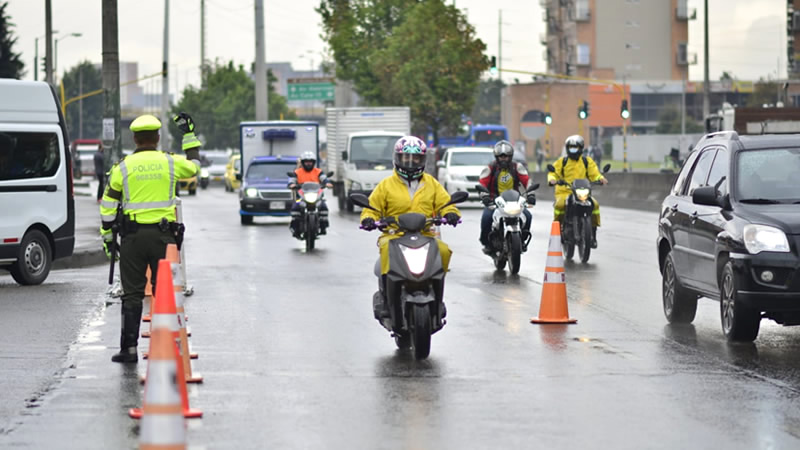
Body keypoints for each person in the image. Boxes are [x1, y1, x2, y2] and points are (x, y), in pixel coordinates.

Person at [99, 113, 200, 363]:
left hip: (132, 239)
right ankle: (165, 346)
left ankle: (129, 349)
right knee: (164, 292)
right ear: (156, 137)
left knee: (132, 294)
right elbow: (195, 167)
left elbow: (108, 205)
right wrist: (188, 135)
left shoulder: (122, 167)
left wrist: (108, 239)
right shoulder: (170, 162)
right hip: (164, 239)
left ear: (134, 138)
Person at [360, 136, 461, 314]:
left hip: (426, 235)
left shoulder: (432, 183)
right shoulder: (386, 185)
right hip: (394, 235)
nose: (411, 162)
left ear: (422, 160)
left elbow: (446, 204)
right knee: (386, 252)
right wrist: (368, 219)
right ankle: (386, 302)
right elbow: (372, 208)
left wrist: (450, 213)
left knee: (443, 250)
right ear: (397, 158)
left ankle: (438, 301)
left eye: (416, 158)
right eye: (406, 157)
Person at [548, 135, 607, 248]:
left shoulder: (586, 161)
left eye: (575, 147)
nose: (573, 150)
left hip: (582, 192)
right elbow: (553, 173)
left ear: (581, 148)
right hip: (565, 192)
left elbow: (594, 173)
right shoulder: (562, 161)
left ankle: (593, 235)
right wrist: (552, 180)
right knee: (559, 206)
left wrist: (600, 179)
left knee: (595, 205)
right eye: (570, 147)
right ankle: (558, 230)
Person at [478, 140, 535, 255]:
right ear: (497, 157)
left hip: (514, 201)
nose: (503, 159)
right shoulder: (491, 168)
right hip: (495, 201)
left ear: (510, 156)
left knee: (528, 216)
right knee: (486, 218)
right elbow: (482, 183)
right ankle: (487, 244)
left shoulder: (517, 167)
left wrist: (531, 194)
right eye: (501, 157)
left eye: (506, 156)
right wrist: (485, 196)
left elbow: (527, 180)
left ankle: (521, 241)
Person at [289, 151, 332, 236]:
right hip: (301, 197)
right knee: (295, 207)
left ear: (313, 162)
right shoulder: (297, 172)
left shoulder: (318, 171)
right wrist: (292, 184)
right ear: (303, 163)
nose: (308, 164)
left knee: (323, 207)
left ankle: (323, 227)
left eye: (310, 162)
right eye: (306, 162)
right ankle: (295, 227)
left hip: (317, 197)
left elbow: (324, 178)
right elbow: (292, 180)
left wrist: (327, 183)